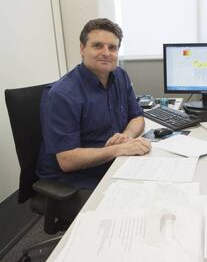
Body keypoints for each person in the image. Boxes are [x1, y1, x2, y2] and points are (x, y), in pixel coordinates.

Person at [36, 18, 151, 197]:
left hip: (110, 163)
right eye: (98, 46)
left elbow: (137, 117)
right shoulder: (62, 94)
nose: (106, 53)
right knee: (137, 201)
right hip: (74, 180)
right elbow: (67, 160)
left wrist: (127, 137)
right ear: (82, 49)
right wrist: (119, 149)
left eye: (112, 47)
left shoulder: (120, 76)